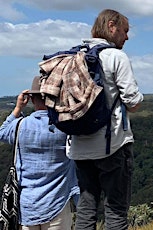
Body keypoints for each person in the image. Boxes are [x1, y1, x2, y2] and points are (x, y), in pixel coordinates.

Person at [68, 9, 143, 230]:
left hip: (79, 147)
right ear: (112, 26)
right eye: (125, 31)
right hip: (112, 146)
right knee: (116, 212)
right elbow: (133, 101)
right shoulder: (116, 57)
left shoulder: (75, 56)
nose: (126, 37)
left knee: (86, 210)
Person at [0, 76, 79, 229]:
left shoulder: (19, 126)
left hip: (27, 205)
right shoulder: (66, 127)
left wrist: (18, 109)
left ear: (31, 98)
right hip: (57, 202)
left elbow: (2, 132)